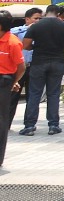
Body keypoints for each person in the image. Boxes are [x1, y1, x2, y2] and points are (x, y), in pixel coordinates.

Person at [20, 4, 64, 137]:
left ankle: (30, 126)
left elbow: (25, 45)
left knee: (35, 94)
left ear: (46, 13)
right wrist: (58, 46)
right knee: (53, 94)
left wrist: (36, 46)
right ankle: (53, 125)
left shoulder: (36, 26)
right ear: (58, 14)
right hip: (57, 62)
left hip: (39, 62)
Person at [0, 10, 26, 169]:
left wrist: (13, 82)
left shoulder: (12, 42)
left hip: (4, 80)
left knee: (1, 120)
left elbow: (21, 67)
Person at [8, 7, 40, 128]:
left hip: (34, 67)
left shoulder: (41, 32)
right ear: (27, 19)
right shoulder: (17, 31)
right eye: (35, 18)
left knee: (32, 97)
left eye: (40, 19)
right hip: (19, 68)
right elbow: (9, 33)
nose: (38, 21)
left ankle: (29, 124)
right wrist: (27, 28)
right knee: (12, 97)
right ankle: (6, 124)